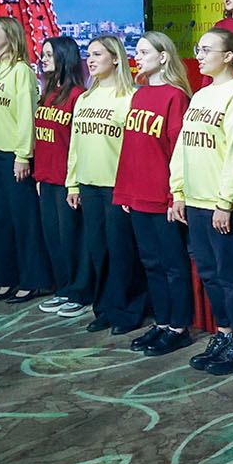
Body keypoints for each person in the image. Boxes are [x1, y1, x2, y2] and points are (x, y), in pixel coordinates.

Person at [171, 30, 233, 376]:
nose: (200, 55)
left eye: (207, 50)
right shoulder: (200, 95)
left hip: (223, 205)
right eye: (199, 49)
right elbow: (183, 146)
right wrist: (178, 191)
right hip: (195, 200)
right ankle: (224, 333)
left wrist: (226, 201)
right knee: (209, 273)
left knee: (231, 274)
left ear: (228, 56)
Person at [115, 31, 195, 356]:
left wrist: (176, 196)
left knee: (173, 264)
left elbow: (179, 152)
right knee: (150, 262)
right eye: (136, 51)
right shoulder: (139, 95)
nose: (137, 57)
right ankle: (162, 322)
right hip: (138, 195)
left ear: (163, 57)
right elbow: (131, 149)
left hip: (163, 197)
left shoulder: (176, 97)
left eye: (144, 52)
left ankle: (179, 327)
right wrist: (125, 192)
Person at [66, 36, 146, 336]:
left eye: (97, 54)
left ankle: (127, 310)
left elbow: (136, 151)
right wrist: (72, 184)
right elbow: (75, 145)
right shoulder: (85, 99)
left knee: (121, 251)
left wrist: (131, 188)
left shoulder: (130, 97)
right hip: (88, 185)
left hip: (117, 187)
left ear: (115, 58)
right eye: (88, 54)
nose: (90, 60)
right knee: (97, 250)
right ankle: (104, 308)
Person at [0, 16, 52, 305]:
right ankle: (6, 277)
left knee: (23, 222)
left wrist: (23, 155)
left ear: (10, 35)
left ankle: (32, 280)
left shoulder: (21, 71)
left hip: (13, 156)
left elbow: (26, 117)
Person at [32, 36, 90, 319]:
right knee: (53, 238)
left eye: (49, 54)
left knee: (72, 240)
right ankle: (64, 289)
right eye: (42, 54)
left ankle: (80, 292)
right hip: (47, 178)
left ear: (64, 57)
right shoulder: (47, 93)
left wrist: (73, 183)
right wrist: (39, 176)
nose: (43, 59)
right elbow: (43, 140)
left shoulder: (79, 96)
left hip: (68, 181)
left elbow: (78, 145)